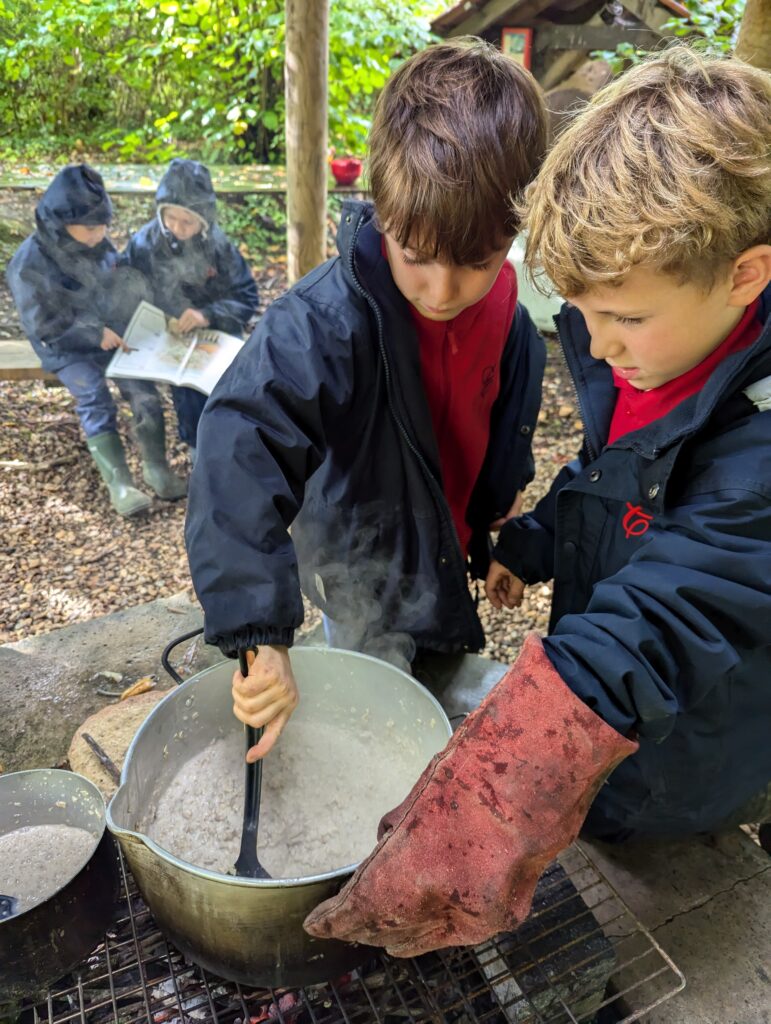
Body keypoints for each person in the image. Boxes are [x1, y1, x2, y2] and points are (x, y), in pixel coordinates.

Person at [302, 47, 771, 956]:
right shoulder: (658, 343)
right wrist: (535, 538)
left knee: (651, 852)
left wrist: (499, 789)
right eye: (582, 313)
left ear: (746, 274)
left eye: (623, 320)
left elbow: (679, 600)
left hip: (693, 739)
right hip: (618, 703)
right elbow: (615, 477)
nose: (595, 346)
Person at [185, 38, 548, 760]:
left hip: (446, 544)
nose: (441, 292)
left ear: (511, 230)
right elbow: (236, 448)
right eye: (414, 257)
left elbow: (503, 422)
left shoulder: (510, 313)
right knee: (365, 697)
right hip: (361, 559)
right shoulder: (323, 321)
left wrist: (499, 528)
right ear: (382, 207)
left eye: (474, 263)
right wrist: (258, 630)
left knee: (434, 671)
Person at [7, 164, 186, 517]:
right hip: (64, 345)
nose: (100, 233)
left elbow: (117, 291)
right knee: (94, 395)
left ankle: (157, 469)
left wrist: (146, 320)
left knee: (143, 391)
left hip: (109, 337)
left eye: (103, 225)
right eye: (91, 228)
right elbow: (43, 324)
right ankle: (120, 484)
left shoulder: (98, 245)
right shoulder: (28, 262)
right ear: (61, 221)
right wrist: (93, 333)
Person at [122, 158, 259, 457]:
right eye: (171, 218)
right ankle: (193, 455)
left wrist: (206, 314)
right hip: (161, 336)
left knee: (221, 385)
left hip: (213, 334)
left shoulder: (219, 247)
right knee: (167, 388)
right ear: (161, 212)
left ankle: (223, 453)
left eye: (188, 221)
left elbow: (247, 297)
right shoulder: (144, 244)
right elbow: (123, 290)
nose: (178, 228)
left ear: (204, 220)